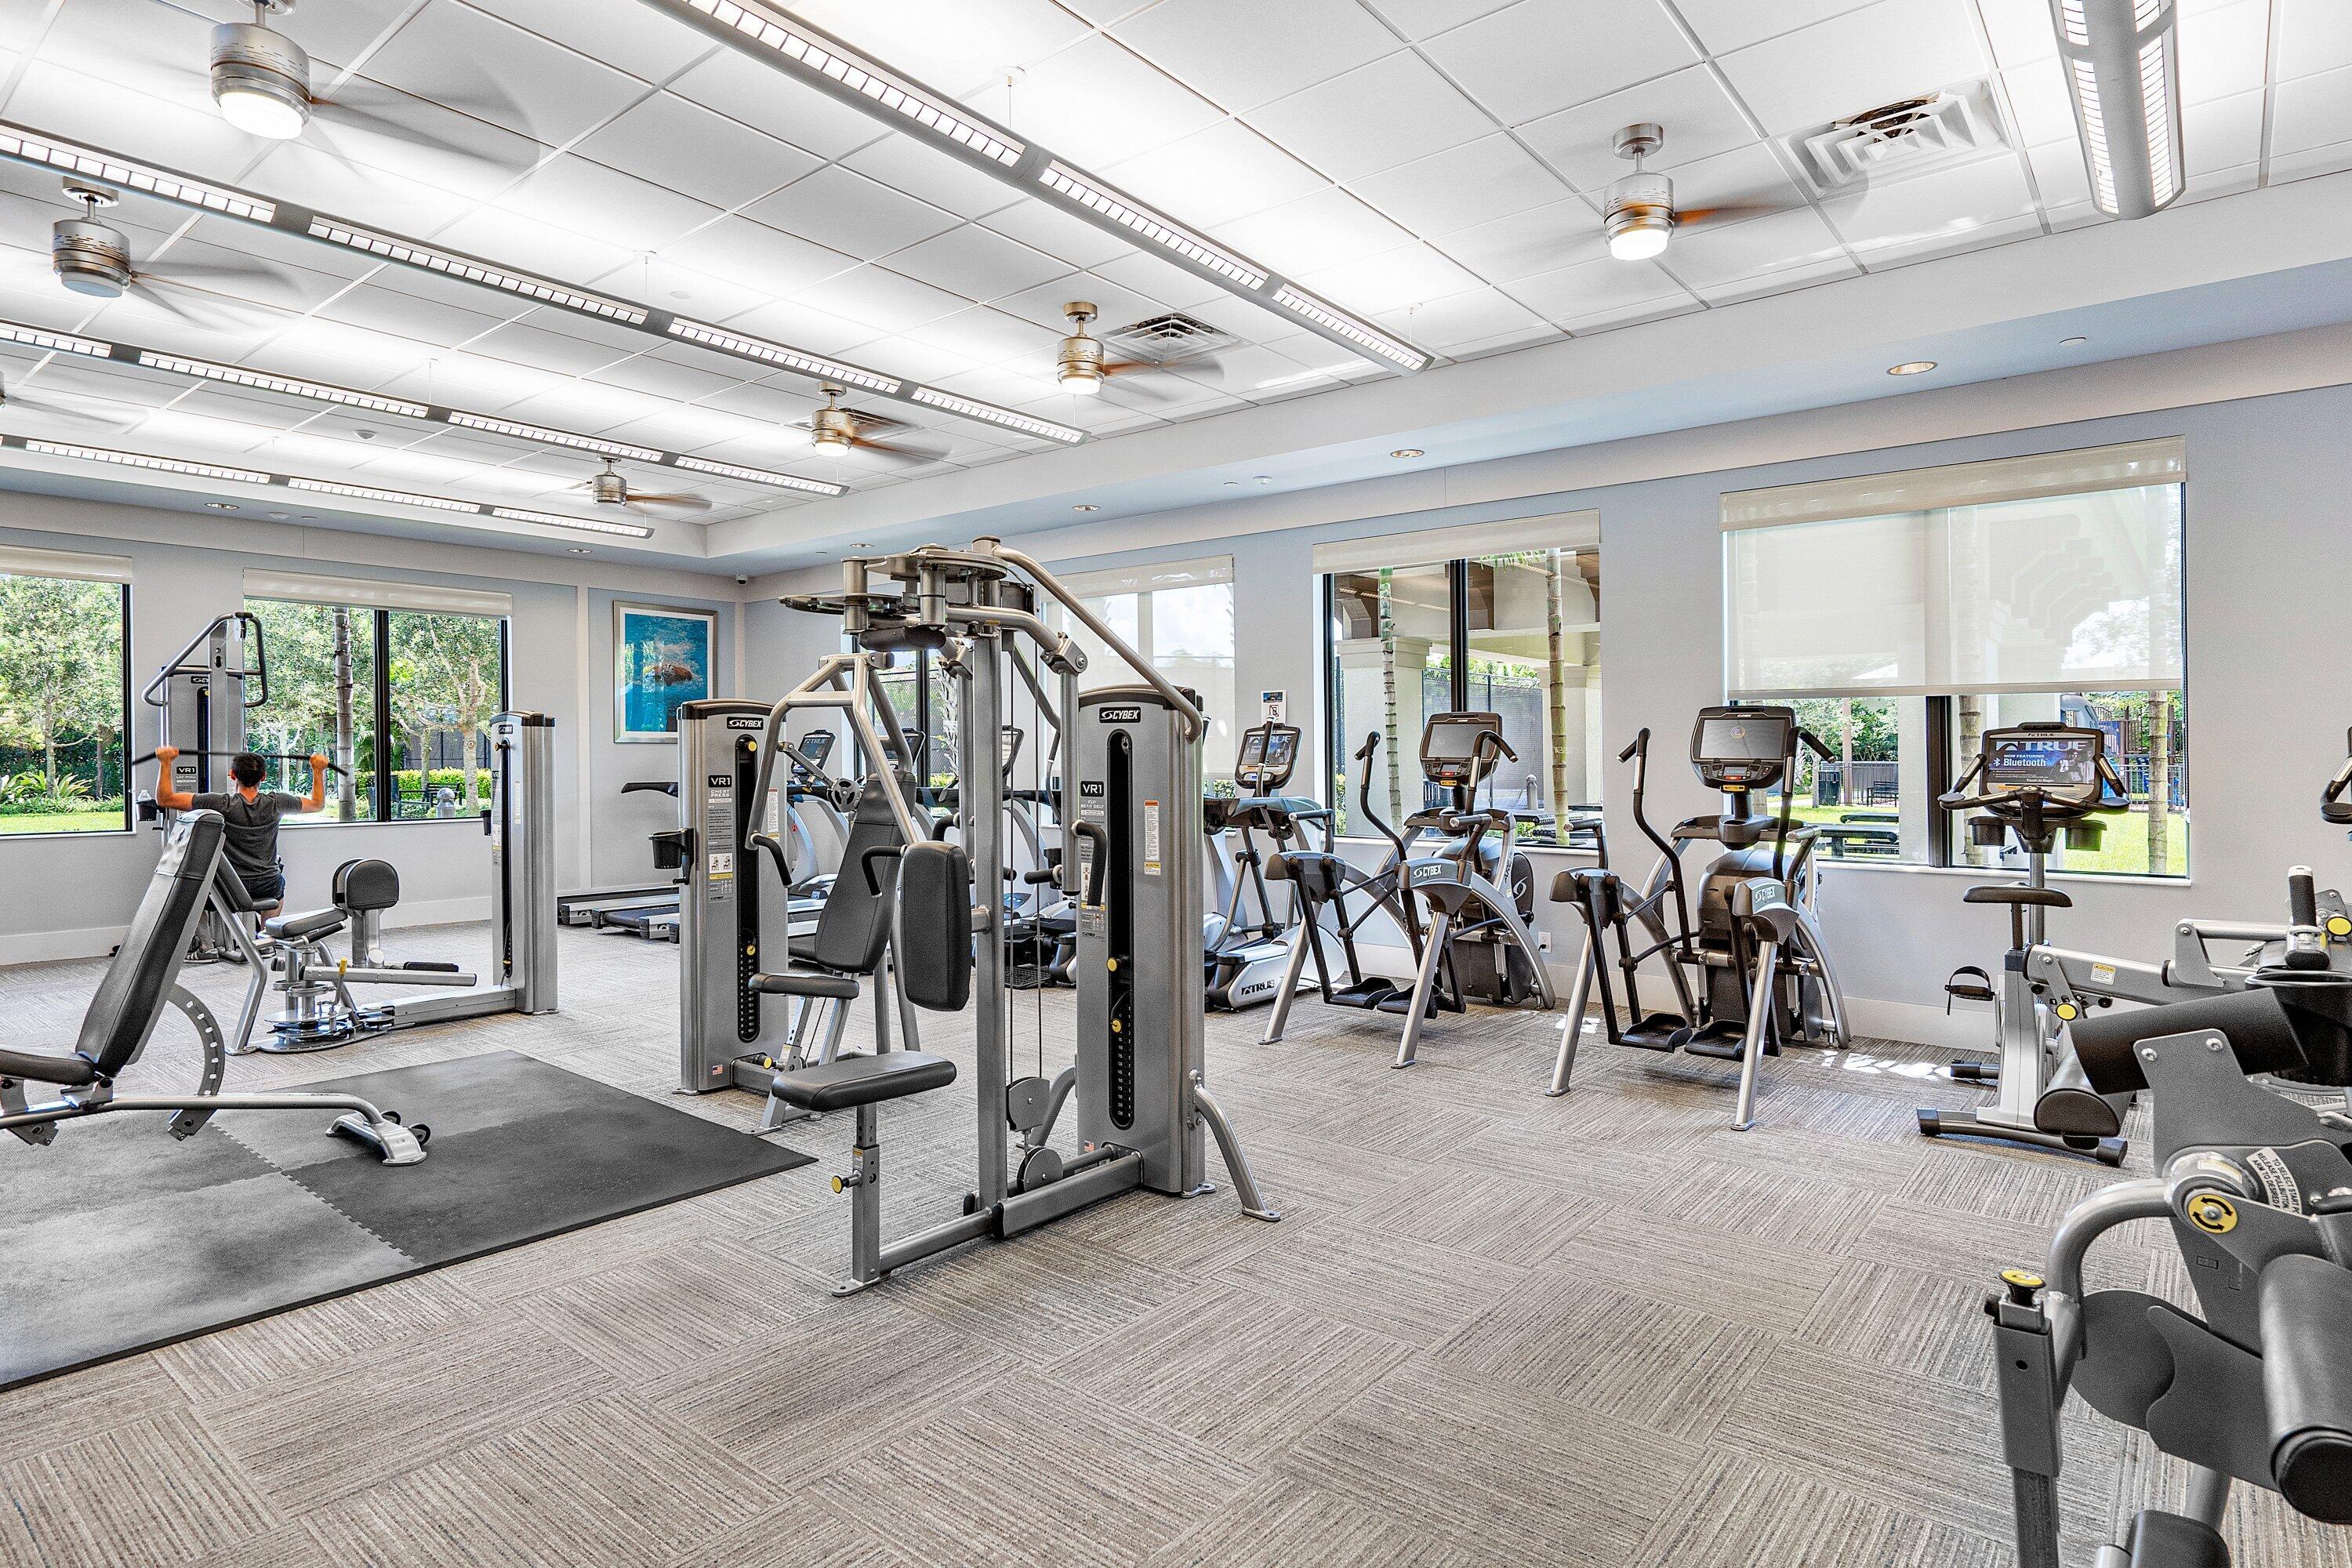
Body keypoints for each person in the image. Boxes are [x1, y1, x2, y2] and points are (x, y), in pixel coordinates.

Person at [152, 748, 327, 916]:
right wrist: (317, 770)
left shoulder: (220, 803)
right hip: (266, 884)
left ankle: (206, 944)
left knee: (192, 894)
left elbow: (165, 799)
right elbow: (317, 804)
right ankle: (268, 938)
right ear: (264, 777)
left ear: (233, 775)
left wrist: (165, 762)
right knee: (277, 885)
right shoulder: (278, 803)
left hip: (229, 885)